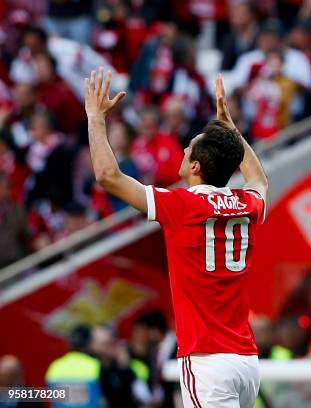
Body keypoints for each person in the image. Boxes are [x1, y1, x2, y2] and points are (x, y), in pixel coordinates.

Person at [84, 67, 267, 407]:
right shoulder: (247, 204)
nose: (183, 150)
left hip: (207, 360)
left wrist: (95, 117)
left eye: (189, 148)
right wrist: (232, 133)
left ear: (196, 167)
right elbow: (260, 180)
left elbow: (107, 176)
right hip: (246, 362)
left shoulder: (181, 205)